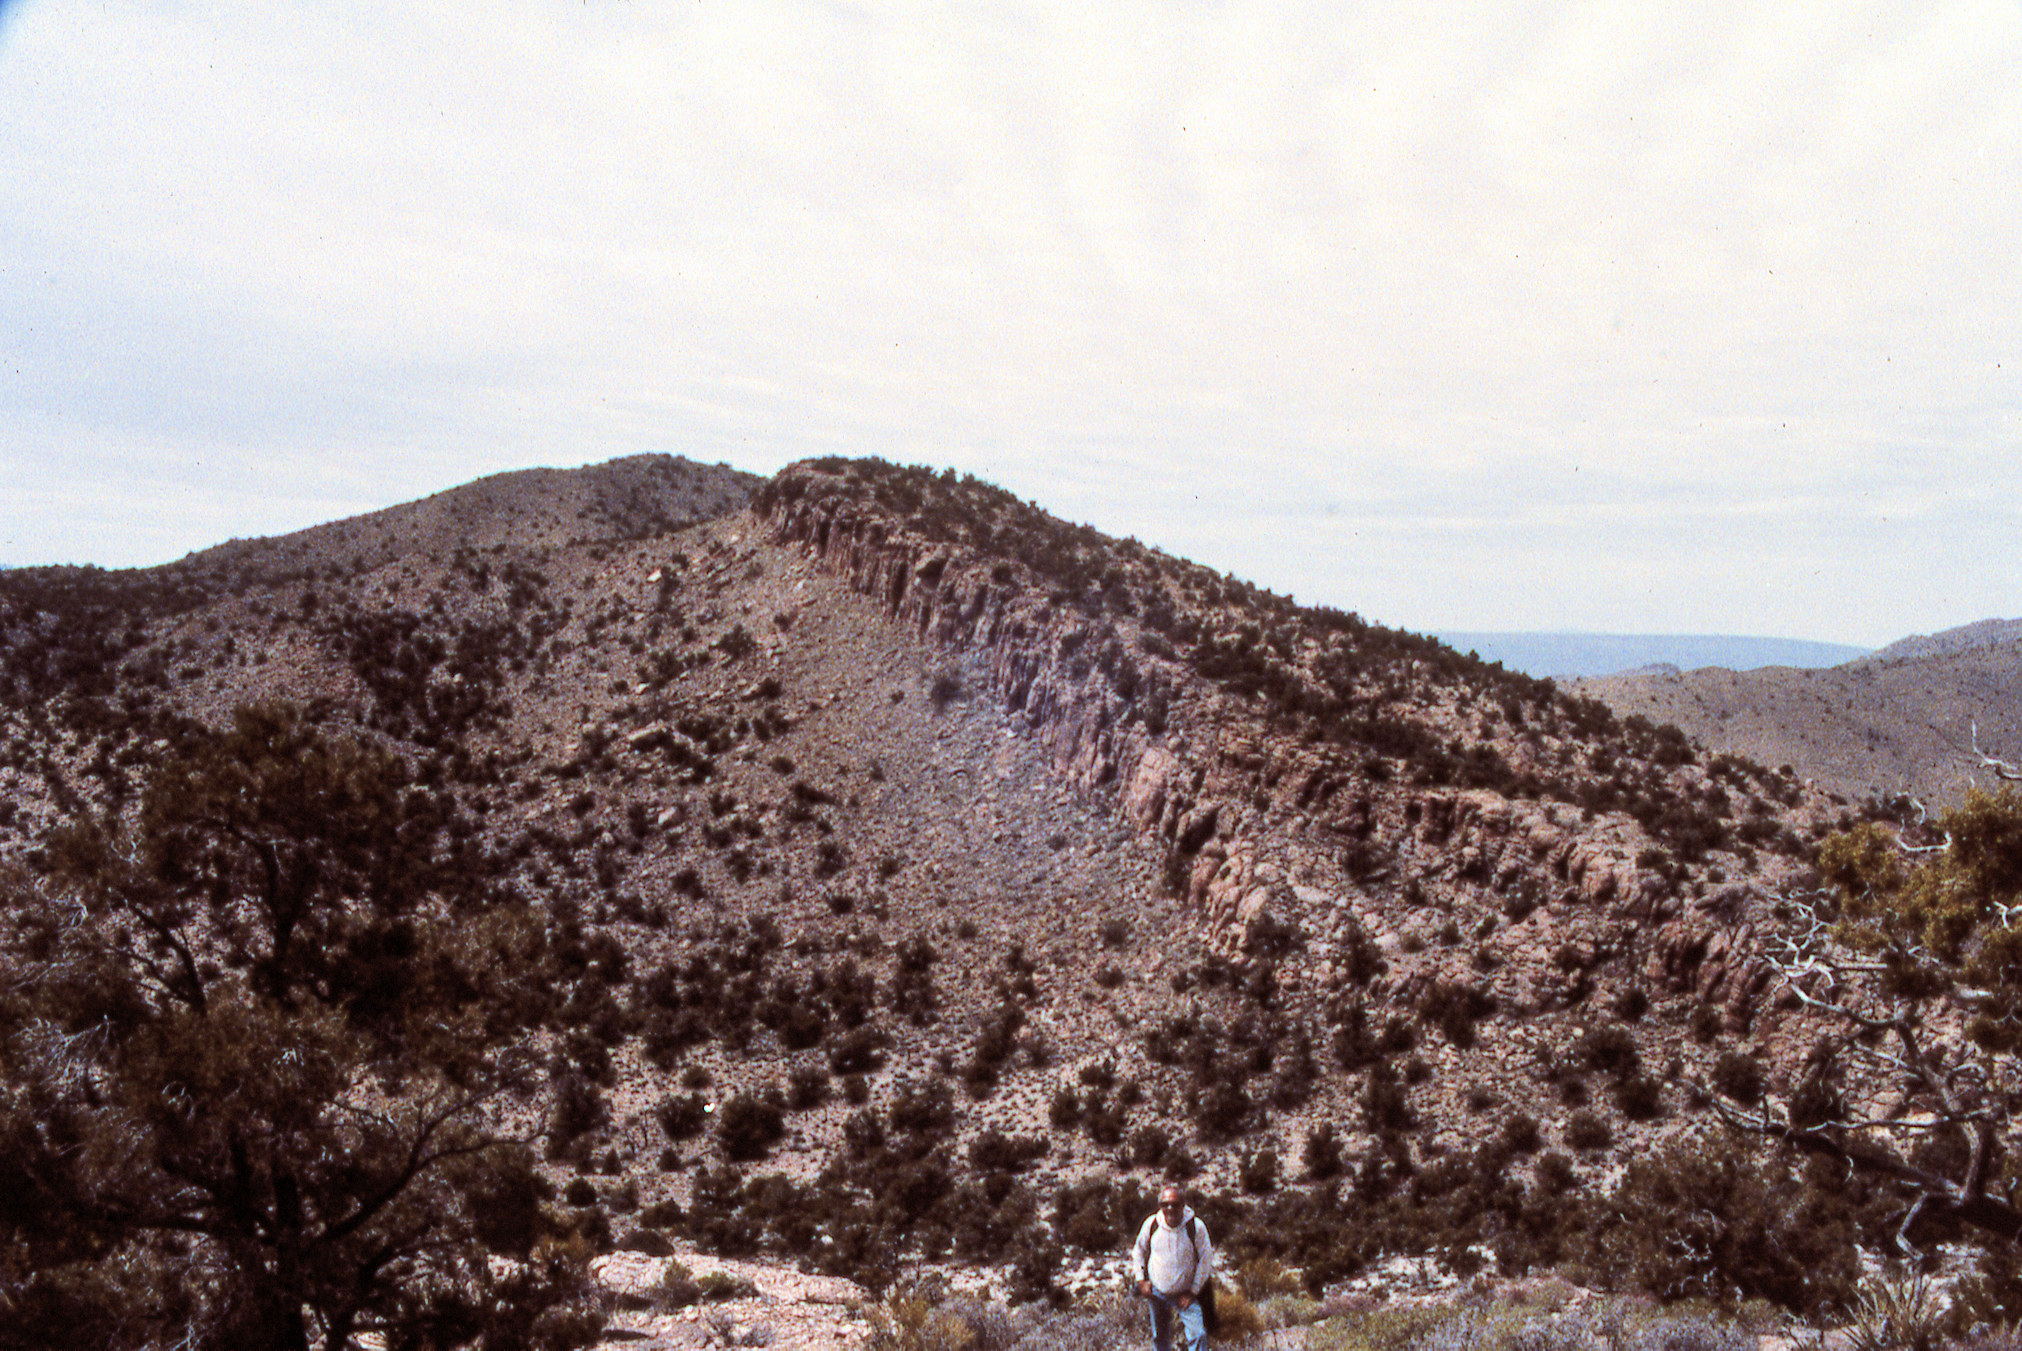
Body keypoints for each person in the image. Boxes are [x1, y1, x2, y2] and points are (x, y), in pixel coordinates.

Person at [1132, 1184, 1213, 1351]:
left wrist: (1193, 1291)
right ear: (1160, 1206)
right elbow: (1138, 1251)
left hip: (1185, 1294)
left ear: (1183, 1205)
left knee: (1198, 1335)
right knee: (1160, 1336)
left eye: (1175, 1204)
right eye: (1165, 1204)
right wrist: (1141, 1281)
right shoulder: (1152, 1224)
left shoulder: (1195, 1227)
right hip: (1157, 1292)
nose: (1170, 1208)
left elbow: (1206, 1259)